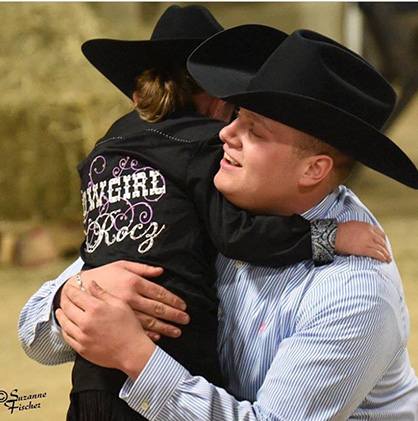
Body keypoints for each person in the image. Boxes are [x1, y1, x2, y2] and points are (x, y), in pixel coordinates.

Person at [19, 9, 388, 421]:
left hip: (95, 389)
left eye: (253, 128)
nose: (226, 134)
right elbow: (33, 332)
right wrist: (80, 290)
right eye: (235, 116)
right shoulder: (195, 189)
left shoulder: (350, 294)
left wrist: (133, 355)